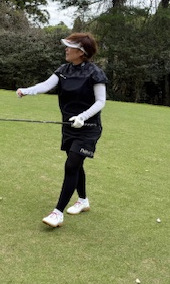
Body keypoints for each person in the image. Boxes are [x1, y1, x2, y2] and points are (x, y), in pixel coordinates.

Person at [16, 32, 108, 228]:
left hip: (88, 128)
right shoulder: (63, 70)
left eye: (70, 47)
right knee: (76, 165)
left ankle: (57, 213)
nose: (66, 49)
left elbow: (101, 101)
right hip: (68, 126)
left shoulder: (95, 73)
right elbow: (46, 85)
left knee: (71, 165)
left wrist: (83, 117)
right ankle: (83, 200)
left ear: (81, 52)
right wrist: (26, 91)